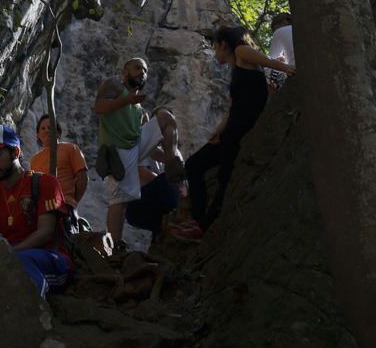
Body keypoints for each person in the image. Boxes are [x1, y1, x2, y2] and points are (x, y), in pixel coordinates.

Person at [172, 25, 295, 241]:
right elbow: (231, 109)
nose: (215, 53)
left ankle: (204, 228)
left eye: (216, 47)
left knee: (225, 175)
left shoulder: (240, 52)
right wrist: (218, 130)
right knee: (194, 165)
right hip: (234, 125)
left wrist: (288, 69)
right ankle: (197, 220)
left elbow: (264, 59)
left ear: (223, 45)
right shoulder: (235, 70)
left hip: (244, 123)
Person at [0, 125, 73, 297]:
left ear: (15, 152)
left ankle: (32, 317)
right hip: (7, 261)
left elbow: (46, 232)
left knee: (19, 262)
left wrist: (10, 253)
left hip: (51, 260)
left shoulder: (44, 183)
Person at [93, 58, 149, 245]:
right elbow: (98, 107)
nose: (142, 72)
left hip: (135, 148)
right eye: (137, 68)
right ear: (125, 73)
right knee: (119, 200)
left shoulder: (140, 109)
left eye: (145, 70)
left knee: (164, 120)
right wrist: (127, 100)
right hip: (118, 150)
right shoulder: (116, 85)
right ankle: (114, 246)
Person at [124, 109, 184, 240]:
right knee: (166, 180)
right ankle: (181, 222)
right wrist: (167, 186)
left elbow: (181, 183)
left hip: (161, 204)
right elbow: (142, 172)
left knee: (161, 228)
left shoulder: (176, 154)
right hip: (139, 202)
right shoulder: (145, 145)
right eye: (157, 117)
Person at [28, 114, 88, 232]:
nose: (47, 131)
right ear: (38, 135)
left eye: (51, 128)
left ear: (58, 131)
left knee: (65, 241)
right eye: (43, 128)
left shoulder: (70, 149)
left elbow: (83, 177)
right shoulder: (35, 159)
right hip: (43, 208)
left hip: (65, 204)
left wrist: (73, 201)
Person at [265, 12, 294, 91]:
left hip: (296, 73)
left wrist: (279, 62)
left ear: (285, 23)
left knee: (262, 70)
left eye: (275, 30)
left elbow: (270, 61)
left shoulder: (280, 32)